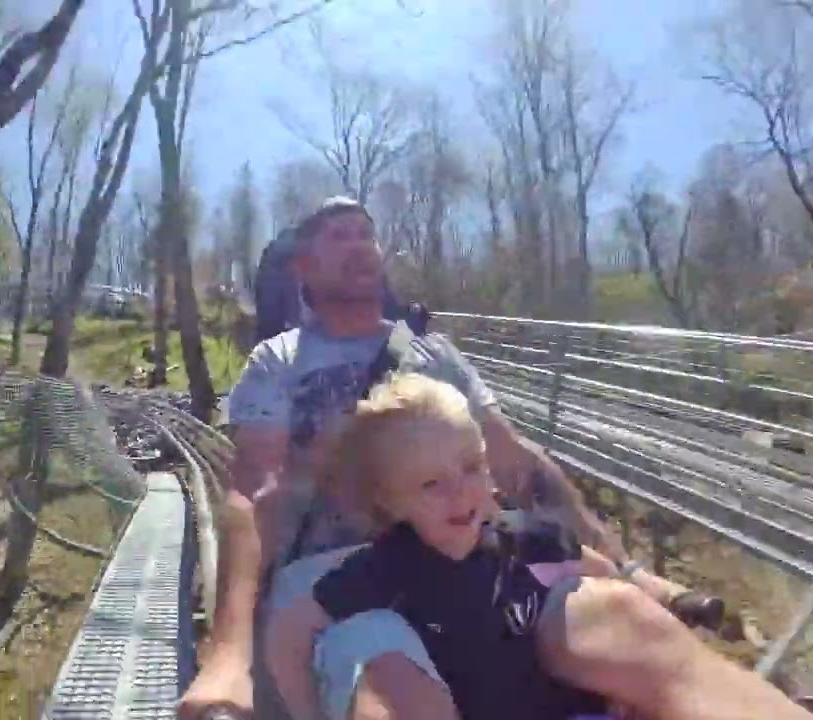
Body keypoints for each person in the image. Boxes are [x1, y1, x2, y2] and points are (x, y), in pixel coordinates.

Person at [176, 196, 726, 720]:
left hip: (460, 551)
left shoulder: (434, 354)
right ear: (304, 265)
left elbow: (516, 463)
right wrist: (230, 651)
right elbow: (253, 494)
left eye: (366, 234)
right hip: (342, 572)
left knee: (625, 635)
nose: (359, 245)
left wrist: (622, 566)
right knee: (388, 682)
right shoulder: (279, 360)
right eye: (338, 236)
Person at [264, 373, 813, 720]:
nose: (462, 494)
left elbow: (589, 562)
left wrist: (645, 590)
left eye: (471, 468)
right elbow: (291, 631)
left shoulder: (522, 536)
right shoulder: (386, 568)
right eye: (431, 485)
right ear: (392, 503)